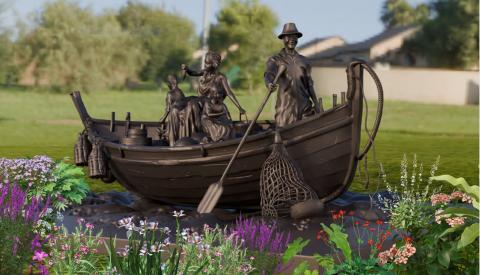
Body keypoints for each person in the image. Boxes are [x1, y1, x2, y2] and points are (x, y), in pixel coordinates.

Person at [264, 23, 321, 128]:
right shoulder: (276, 60)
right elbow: (268, 74)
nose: (292, 39)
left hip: (305, 108)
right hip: (285, 108)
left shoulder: (304, 61)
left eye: (295, 36)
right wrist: (269, 84)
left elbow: (309, 84)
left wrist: (316, 103)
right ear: (283, 38)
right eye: (288, 36)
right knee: (283, 133)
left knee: (308, 132)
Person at [181, 51, 246, 128]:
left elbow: (229, 93)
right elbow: (193, 73)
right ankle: (185, 126)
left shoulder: (220, 77)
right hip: (202, 100)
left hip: (212, 104)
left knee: (193, 104)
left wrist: (239, 107)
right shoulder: (205, 72)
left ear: (214, 65)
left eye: (208, 64)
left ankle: (197, 127)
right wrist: (187, 69)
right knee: (186, 101)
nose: (205, 65)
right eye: (205, 63)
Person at [159, 74, 188, 146]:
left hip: (174, 118)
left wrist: (162, 119)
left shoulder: (170, 94)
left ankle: (169, 138)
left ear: (170, 83)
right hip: (182, 118)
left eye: (167, 82)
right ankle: (166, 132)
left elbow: (168, 109)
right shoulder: (181, 92)